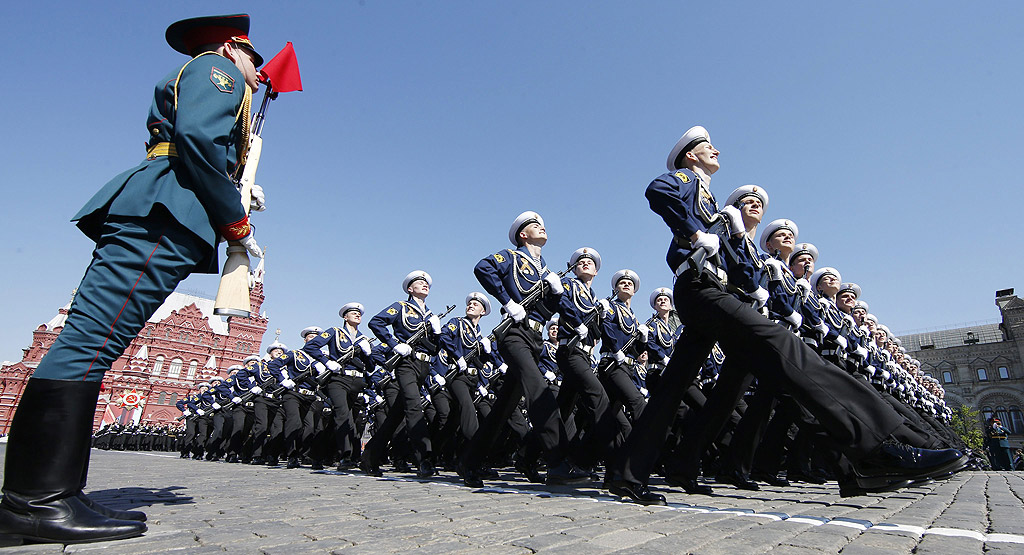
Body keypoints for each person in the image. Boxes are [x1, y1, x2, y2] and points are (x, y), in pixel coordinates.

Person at [0, 14, 267, 545]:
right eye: (254, 61)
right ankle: (33, 503)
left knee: (94, 346)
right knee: (88, 344)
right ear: (234, 47)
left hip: (166, 207)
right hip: (166, 212)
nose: (258, 75)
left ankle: (57, 494)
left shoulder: (211, 72)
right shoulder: (218, 70)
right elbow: (196, 138)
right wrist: (233, 216)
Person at [604, 125, 966, 505]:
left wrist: (741, 246)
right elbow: (657, 191)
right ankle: (874, 449)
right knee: (787, 351)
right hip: (701, 288)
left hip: (714, 293)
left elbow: (744, 269)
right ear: (690, 156)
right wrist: (696, 234)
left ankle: (631, 473)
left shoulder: (717, 208)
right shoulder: (685, 180)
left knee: (679, 390)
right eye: (708, 147)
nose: (716, 151)